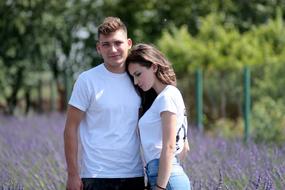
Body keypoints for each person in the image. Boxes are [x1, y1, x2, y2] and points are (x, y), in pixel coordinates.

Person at [63, 17, 145, 190]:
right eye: (106, 44)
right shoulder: (87, 80)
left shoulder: (140, 78)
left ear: (129, 43)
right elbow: (70, 128)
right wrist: (72, 174)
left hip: (134, 174)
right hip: (96, 176)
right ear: (98, 48)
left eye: (118, 42)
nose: (113, 49)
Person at [126, 43, 191, 190]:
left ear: (154, 67)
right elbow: (185, 147)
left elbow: (169, 146)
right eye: (133, 77)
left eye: (138, 74)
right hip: (166, 177)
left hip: (166, 181)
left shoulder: (166, 97)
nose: (136, 82)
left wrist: (160, 186)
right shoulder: (168, 95)